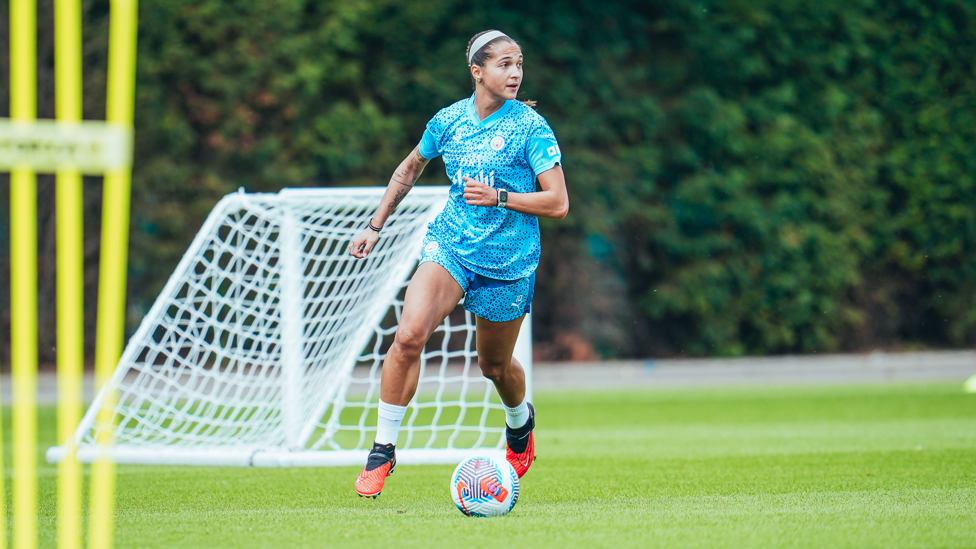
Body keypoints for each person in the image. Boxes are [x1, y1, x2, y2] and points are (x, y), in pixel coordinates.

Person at [348, 29, 569, 498]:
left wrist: (500, 197)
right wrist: (375, 223)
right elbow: (409, 167)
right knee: (407, 337)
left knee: (493, 366)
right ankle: (382, 450)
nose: (515, 73)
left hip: (507, 261)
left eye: (519, 64)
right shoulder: (448, 120)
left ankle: (519, 422)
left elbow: (558, 203)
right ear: (477, 71)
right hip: (450, 245)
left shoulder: (531, 127)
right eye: (504, 64)